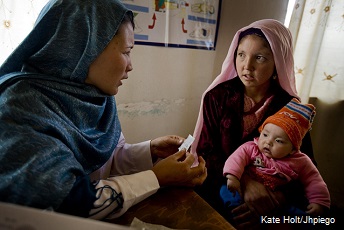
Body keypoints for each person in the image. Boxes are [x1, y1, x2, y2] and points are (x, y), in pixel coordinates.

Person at [0, 0, 207, 220]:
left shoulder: (94, 96)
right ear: (84, 47)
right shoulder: (20, 108)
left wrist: (149, 150)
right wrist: (156, 178)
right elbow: (71, 203)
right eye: (126, 51)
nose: (130, 65)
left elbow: (104, 162)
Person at [191, 19, 315, 228]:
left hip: (272, 195)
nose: (246, 66)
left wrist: (275, 200)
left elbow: (306, 163)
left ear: (278, 62)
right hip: (223, 185)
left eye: (259, 57)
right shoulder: (217, 97)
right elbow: (207, 153)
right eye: (241, 55)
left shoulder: (290, 107)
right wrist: (245, 183)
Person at [222, 98, 330, 218]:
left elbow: (314, 180)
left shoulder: (301, 161)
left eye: (278, 141)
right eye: (265, 134)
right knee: (226, 192)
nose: (268, 142)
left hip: (277, 198)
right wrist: (233, 177)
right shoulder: (252, 148)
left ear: (293, 149)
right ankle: (235, 209)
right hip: (244, 188)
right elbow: (236, 159)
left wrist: (319, 201)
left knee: (300, 215)